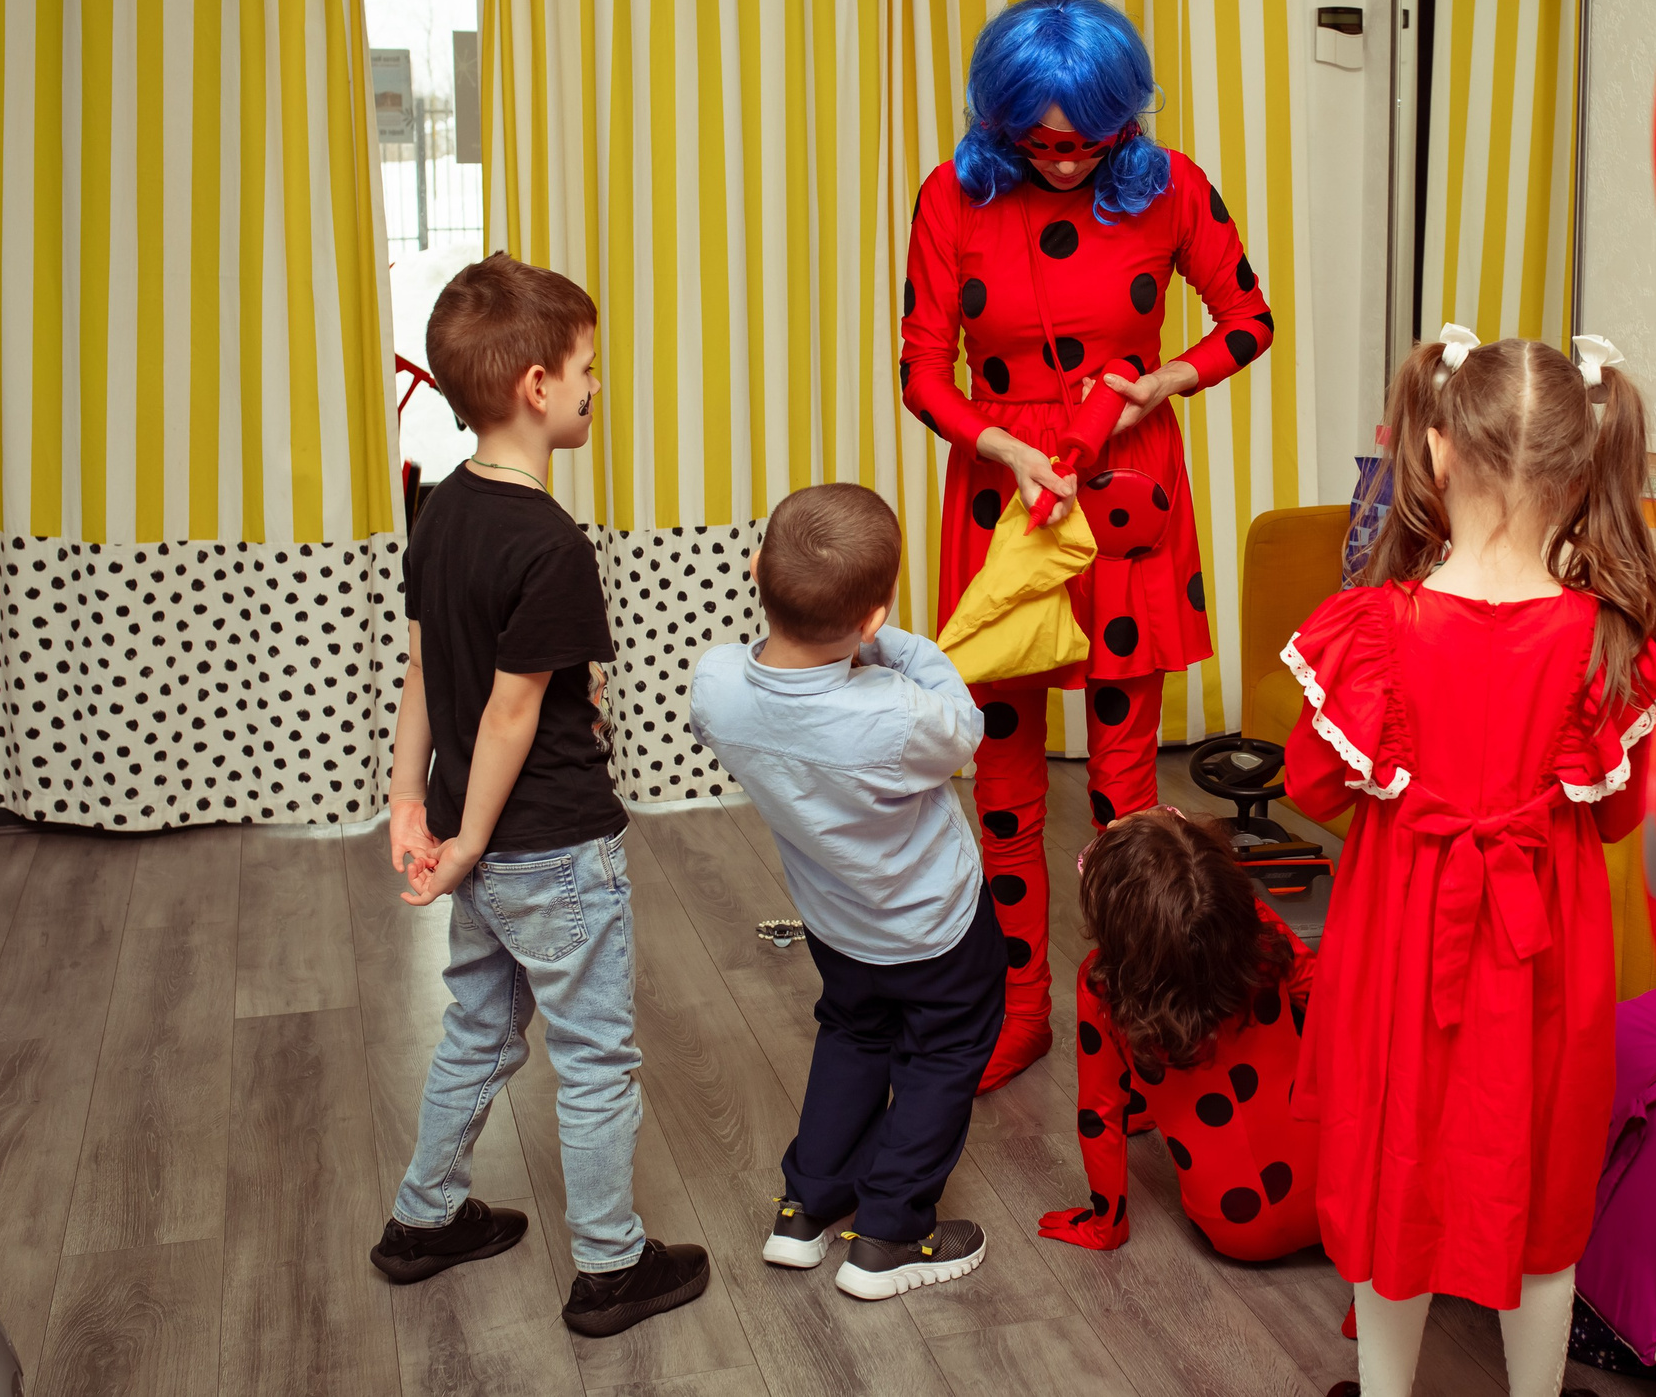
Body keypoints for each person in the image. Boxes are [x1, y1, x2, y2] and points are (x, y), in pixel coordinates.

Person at [900, 0, 1277, 1092]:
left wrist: (1164, 381)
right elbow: (921, 367)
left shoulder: (1171, 187)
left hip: (1126, 496)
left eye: (1090, 141)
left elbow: (1248, 320)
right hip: (1004, 500)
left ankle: (1138, 1012)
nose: (1066, 162)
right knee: (1003, 779)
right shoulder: (952, 194)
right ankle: (1020, 1009)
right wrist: (1000, 445)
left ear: (1126, 120)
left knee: (1124, 784)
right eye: (1041, 143)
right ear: (998, 121)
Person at [1285, 327, 1656, 1397]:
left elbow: (1311, 786)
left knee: (1392, 1177)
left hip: (1397, 954)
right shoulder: (1611, 643)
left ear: (1437, 448)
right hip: (1545, 966)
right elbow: (1617, 816)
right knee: (1540, 1189)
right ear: (1582, 471)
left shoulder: (1372, 628)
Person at [370, 253, 709, 1340]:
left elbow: (424, 670)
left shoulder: (440, 512)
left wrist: (412, 804)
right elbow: (513, 713)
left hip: (480, 839)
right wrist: (469, 837)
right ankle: (610, 1265)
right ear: (535, 385)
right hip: (550, 848)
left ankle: (423, 1220)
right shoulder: (551, 545)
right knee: (596, 1058)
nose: (594, 386)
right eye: (586, 368)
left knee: (477, 1031)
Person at [686, 482, 1004, 1301]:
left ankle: (808, 1208)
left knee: (854, 1034)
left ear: (755, 566)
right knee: (943, 1052)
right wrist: (892, 642)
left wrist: (854, 636)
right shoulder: (896, 712)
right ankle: (892, 1233)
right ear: (871, 617)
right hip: (937, 927)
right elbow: (963, 727)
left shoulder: (716, 683)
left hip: (834, 921)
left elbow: (763, 690)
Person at [1039, 807, 1322, 1263]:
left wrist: (1105, 1225)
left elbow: (1100, 1117)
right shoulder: (1256, 927)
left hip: (1235, 1230)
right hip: (1337, 1201)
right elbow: (1328, 998)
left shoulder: (1103, 985)